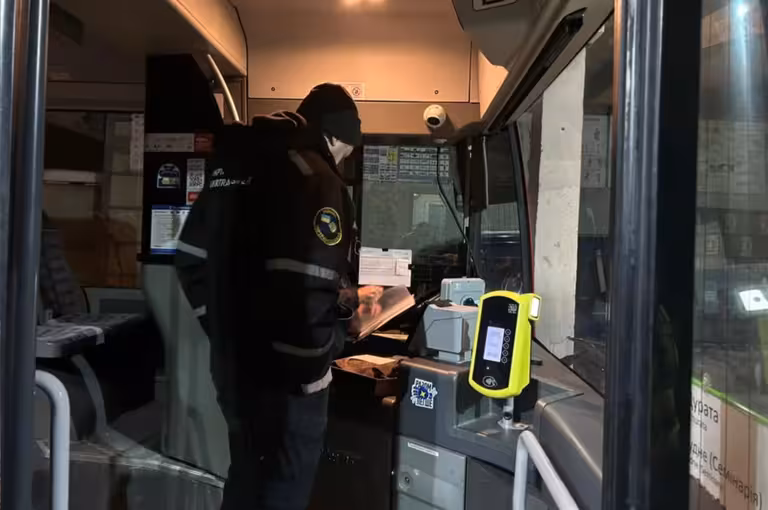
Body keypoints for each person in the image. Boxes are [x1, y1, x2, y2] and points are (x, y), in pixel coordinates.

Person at [175, 83, 370, 510]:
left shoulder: (236, 167)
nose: (346, 158)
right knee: (284, 489)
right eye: (348, 147)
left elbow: (190, 259)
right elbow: (309, 281)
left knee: (246, 477)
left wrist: (224, 332)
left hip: (233, 369)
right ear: (336, 135)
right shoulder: (316, 178)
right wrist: (316, 362)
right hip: (290, 383)